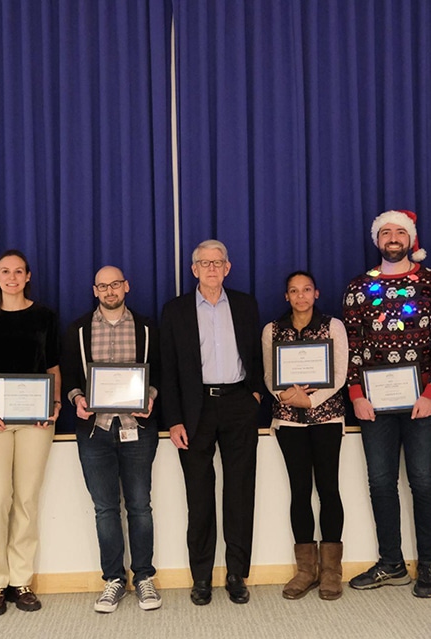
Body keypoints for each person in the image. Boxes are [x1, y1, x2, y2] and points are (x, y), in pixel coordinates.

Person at [342, 209, 431, 598]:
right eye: (385, 232)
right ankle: (390, 562)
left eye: (399, 232)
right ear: (377, 240)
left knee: (423, 480)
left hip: (423, 401)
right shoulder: (359, 287)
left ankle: (428, 564)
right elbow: (352, 346)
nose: (393, 237)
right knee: (380, 482)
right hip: (373, 403)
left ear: (411, 240)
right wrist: (355, 395)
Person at [160, 239, 263, 606]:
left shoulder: (246, 304)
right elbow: (168, 370)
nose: (212, 269)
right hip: (195, 408)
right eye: (204, 263)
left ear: (228, 267)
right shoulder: (175, 311)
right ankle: (201, 576)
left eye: (218, 262)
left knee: (239, 492)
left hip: (238, 403)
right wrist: (173, 420)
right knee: (199, 497)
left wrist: (253, 395)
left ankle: (237, 574)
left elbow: (256, 353)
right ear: (194, 270)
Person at [61, 265, 162, 613]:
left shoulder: (148, 328)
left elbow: (159, 371)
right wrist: (77, 399)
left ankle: (144, 577)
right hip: (95, 430)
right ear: (95, 290)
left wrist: (150, 396)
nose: (109, 291)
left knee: (139, 505)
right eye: (102, 286)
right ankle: (114, 580)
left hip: (138, 428)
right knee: (105, 509)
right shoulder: (78, 329)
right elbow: (71, 375)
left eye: (115, 284)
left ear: (126, 286)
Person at [0, 250, 60, 616]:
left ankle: (21, 581)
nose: (11, 277)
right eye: (5, 271)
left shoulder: (45, 317)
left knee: (26, 500)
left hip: (36, 422)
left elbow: (53, 366)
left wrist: (52, 406)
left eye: (18, 271)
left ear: (27, 276)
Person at [261, 271, 348, 601]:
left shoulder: (333, 326)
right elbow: (270, 374)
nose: (300, 296)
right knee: (300, 491)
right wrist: (286, 397)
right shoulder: (272, 330)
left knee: (328, 488)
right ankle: (305, 570)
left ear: (316, 293)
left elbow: (339, 373)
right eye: (294, 291)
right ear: (286, 296)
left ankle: (331, 571)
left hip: (326, 418)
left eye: (306, 290)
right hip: (288, 422)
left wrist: (310, 400)